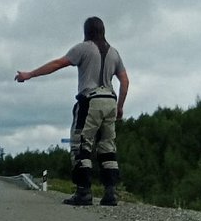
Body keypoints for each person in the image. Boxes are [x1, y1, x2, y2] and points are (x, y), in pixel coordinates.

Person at [15, 16, 129, 206]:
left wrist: (30, 74)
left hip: (89, 100)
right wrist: (120, 107)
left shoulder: (83, 48)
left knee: (81, 144)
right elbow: (125, 81)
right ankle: (111, 193)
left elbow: (57, 64)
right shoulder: (114, 53)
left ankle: (83, 192)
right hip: (110, 99)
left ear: (86, 31)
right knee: (108, 146)